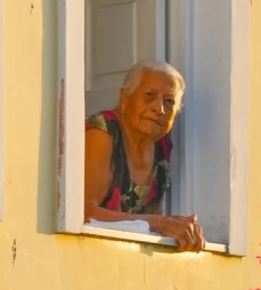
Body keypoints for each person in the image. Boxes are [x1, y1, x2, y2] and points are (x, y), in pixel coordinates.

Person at [83, 60, 204, 252]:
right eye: (149, 95)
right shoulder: (103, 131)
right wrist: (158, 223)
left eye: (169, 101)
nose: (160, 108)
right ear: (124, 98)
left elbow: (148, 228)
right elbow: (84, 211)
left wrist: (179, 228)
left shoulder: (161, 146)